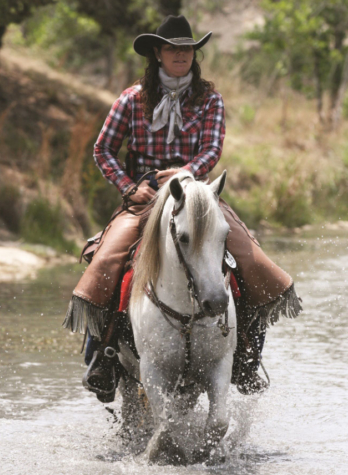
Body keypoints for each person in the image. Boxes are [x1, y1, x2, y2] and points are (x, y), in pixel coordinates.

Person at [63, 15, 302, 401]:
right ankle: (102, 357)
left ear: (194, 54)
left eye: (187, 49)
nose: (181, 55)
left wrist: (189, 173)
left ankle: (247, 356)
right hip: (143, 198)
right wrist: (129, 186)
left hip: (197, 194)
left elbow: (212, 149)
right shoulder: (130, 98)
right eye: (173, 48)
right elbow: (102, 149)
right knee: (104, 263)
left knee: (252, 261)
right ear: (158, 53)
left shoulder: (210, 99)